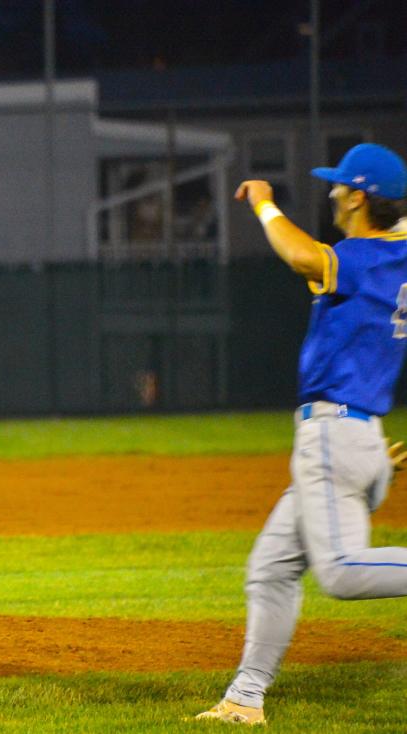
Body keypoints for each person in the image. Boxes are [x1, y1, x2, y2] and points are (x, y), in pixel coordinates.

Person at [197, 143, 407, 725]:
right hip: (360, 438)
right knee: (270, 568)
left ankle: (246, 695)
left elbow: (299, 256)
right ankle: (245, 697)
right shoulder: (402, 255)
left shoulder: (363, 255)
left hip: (336, 438)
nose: (333, 194)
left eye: (341, 186)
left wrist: (264, 204)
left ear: (361, 197)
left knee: (339, 571)